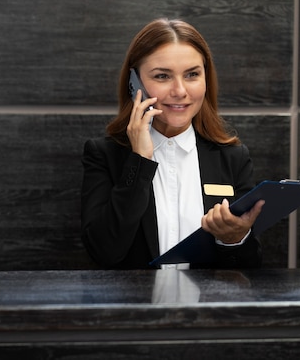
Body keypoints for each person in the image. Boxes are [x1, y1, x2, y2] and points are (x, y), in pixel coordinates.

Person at [81, 18, 264, 269]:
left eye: (192, 74)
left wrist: (234, 240)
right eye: (163, 76)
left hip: (208, 308)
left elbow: (250, 269)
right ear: (134, 82)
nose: (180, 91)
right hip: (137, 308)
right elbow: (104, 253)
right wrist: (140, 161)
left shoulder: (233, 157)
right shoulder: (104, 155)